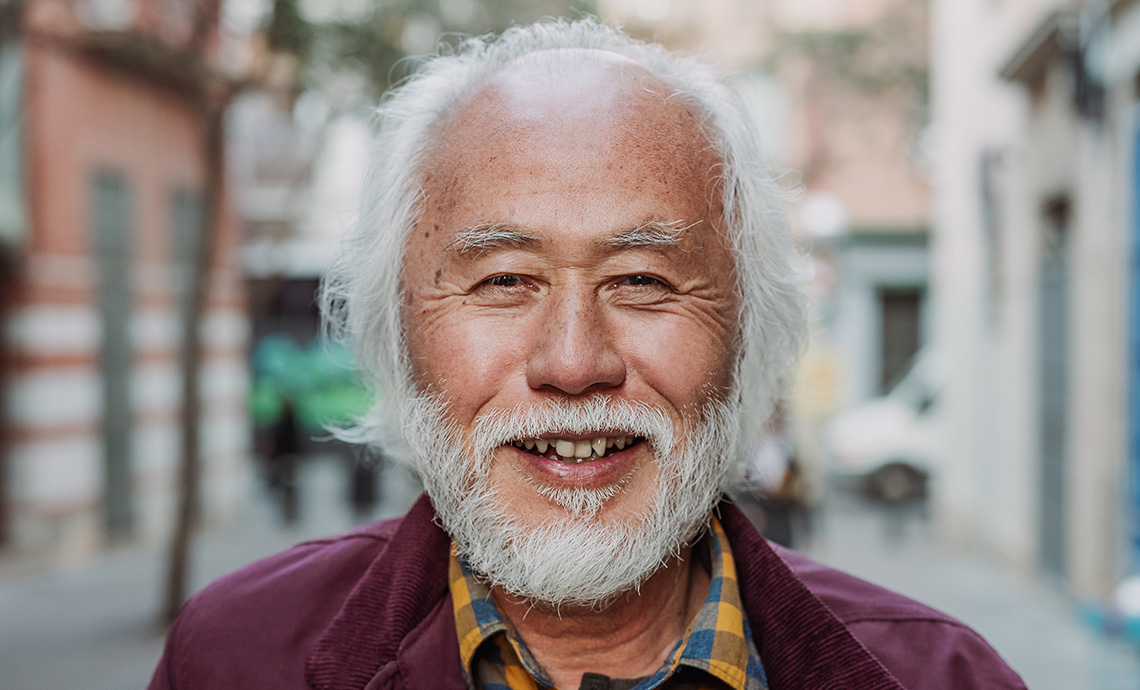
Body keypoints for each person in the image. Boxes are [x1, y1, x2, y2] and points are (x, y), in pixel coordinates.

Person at [148, 19, 1026, 690]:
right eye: (503, 281)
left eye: (642, 279)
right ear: (399, 329)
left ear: (748, 330)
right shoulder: (234, 657)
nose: (574, 363)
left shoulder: (945, 678)